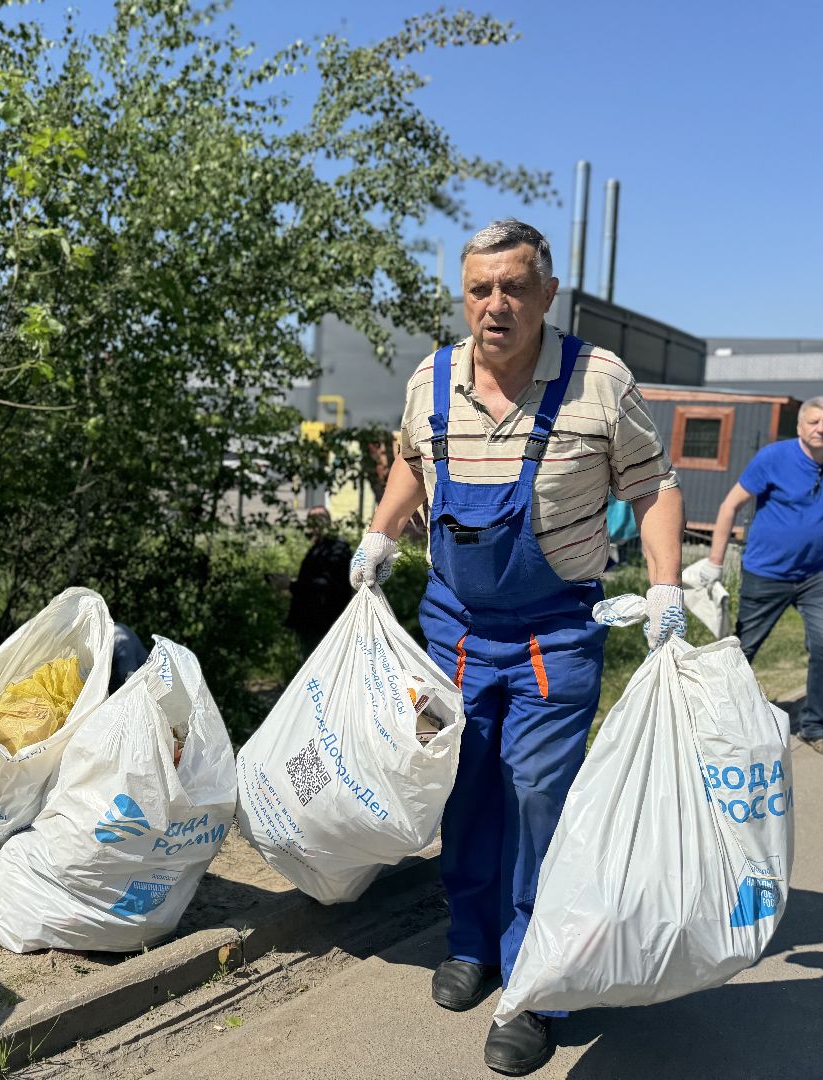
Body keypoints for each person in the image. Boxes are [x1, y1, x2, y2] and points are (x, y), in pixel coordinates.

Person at [348, 219, 685, 1076]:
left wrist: (668, 586)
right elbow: (411, 468)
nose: (495, 305)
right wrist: (379, 536)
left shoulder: (599, 383)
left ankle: (537, 983)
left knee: (540, 799)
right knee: (463, 789)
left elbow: (653, 486)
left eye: (513, 287)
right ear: (465, 296)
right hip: (453, 630)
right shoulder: (432, 378)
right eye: (479, 289)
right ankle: (471, 942)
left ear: (546, 293)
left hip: (552, 633)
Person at [698, 396, 823, 758]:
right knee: (741, 650)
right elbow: (730, 505)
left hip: (817, 574)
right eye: (814, 421)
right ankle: (713, 723)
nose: (821, 428)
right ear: (800, 426)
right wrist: (714, 562)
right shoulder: (773, 457)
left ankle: (813, 727)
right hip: (765, 572)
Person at [284, 507, 354, 656]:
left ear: (328, 522)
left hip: (325, 622)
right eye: (313, 520)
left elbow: (328, 584)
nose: (316, 524)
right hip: (311, 622)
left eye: (320, 519)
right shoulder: (318, 548)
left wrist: (291, 585)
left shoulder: (337, 548)